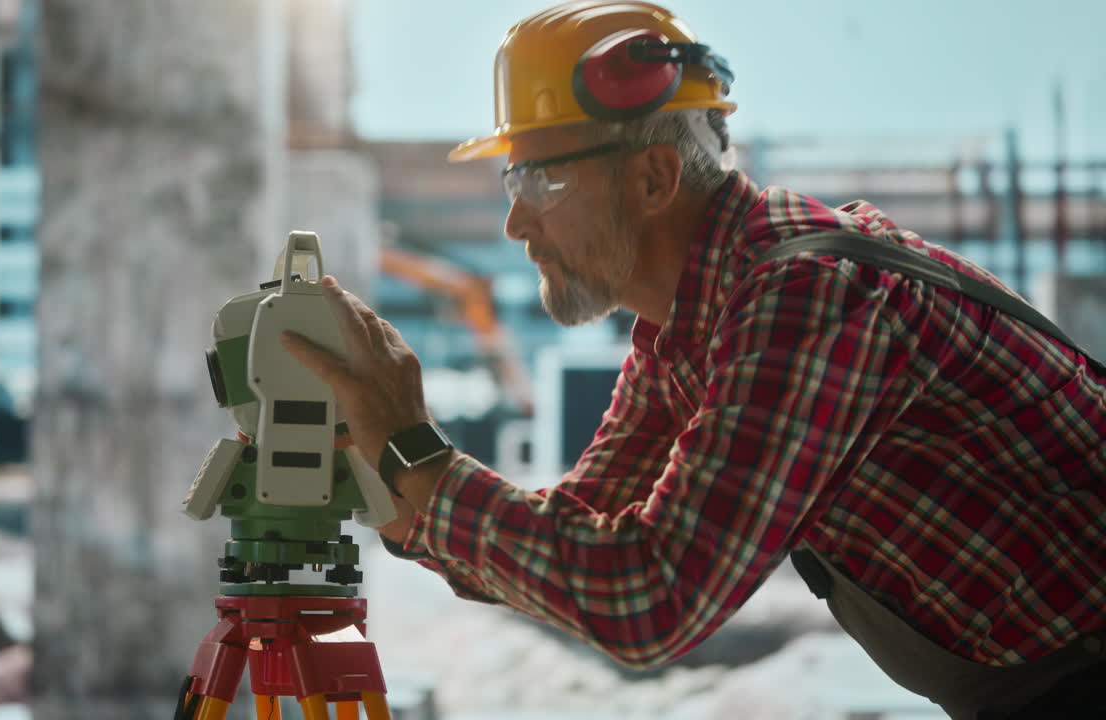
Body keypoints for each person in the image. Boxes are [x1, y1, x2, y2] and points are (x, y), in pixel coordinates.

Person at [281, 2, 1106, 717]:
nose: (515, 227)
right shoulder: (686, 327)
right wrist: (383, 484)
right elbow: (572, 546)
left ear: (653, 177)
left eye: (537, 183)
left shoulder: (809, 295)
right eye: (511, 185)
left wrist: (421, 455)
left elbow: (652, 599)